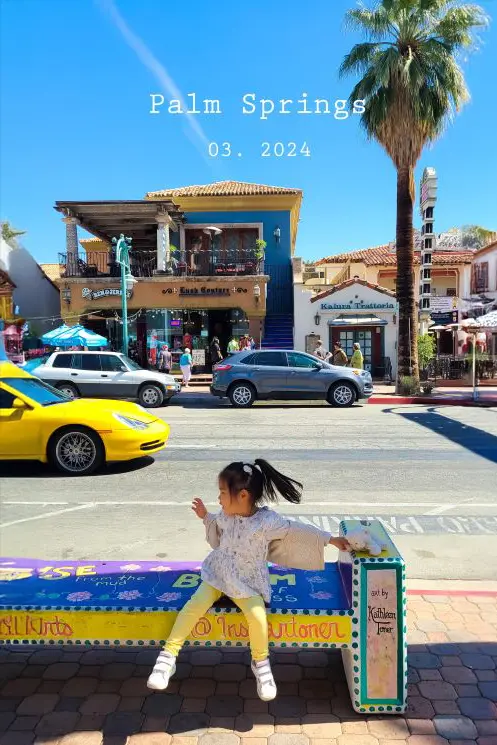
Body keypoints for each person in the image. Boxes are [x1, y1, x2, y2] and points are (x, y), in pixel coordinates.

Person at [147, 459, 350, 700]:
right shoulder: (226, 514)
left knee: (257, 616)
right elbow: (215, 523)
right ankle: (168, 656)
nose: (219, 498)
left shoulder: (266, 522)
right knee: (193, 606)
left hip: (247, 582)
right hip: (218, 575)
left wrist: (330, 539)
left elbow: (296, 529)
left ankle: (261, 663)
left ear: (242, 495)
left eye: (223, 492)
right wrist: (205, 516)